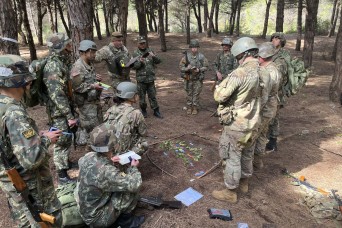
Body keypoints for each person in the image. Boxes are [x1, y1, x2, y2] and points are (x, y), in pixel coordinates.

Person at [0, 54, 63, 227]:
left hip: (10, 182)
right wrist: (46, 140)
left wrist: (36, 136)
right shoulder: (14, 112)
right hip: (32, 188)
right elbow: (32, 159)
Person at [212, 37, 262, 203]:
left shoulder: (240, 73)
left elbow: (220, 96)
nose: (237, 60)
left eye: (237, 57)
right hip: (254, 122)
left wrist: (220, 86)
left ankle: (230, 192)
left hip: (237, 124)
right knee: (247, 154)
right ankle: (244, 183)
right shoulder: (264, 70)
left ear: (243, 54)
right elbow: (266, 96)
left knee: (232, 156)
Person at [75, 123, 144, 228]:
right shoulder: (107, 172)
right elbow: (135, 183)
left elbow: (95, 168)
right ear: (113, 144)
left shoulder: (88, 156)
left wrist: (110, 161)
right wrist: (133, 167)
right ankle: (127, 223)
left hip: (86, 210)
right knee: (130, 190)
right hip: (97, 220)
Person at [43, 33, 78, 183]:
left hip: (64, 109)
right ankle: (62, 174)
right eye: (67, 45)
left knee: (66, 138)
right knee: (61, 141)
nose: (70, 48)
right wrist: (69, 116)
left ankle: (65, 163)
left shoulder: (61, 62)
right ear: (60, 47)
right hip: (59, 112)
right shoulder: (53, 66)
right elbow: (57, 95)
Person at [71, 40, 103, 146]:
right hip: (85, 104)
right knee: (93, 131)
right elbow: (77, 87)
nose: (94, 55)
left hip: (93, 101)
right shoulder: (77, 67)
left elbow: (88, 79)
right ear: (84, 52)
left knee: (98, 125)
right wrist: (92, 86)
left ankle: (84, 138)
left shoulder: (89, 64)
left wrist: (96, 79)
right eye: (92, 52)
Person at [253, 42, 281, 168]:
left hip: (266, 108)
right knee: (262, 134)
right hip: (270, 106)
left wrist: (255, 110)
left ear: (262, 57)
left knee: (255, 134)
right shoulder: (272, 67)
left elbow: (264, 95)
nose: (257, 58)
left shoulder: (270, 72)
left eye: (258, 56)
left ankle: (253, 161)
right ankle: (258, 160)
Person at [104, 82, 148, 155]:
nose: (138, 95)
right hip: (122, 150)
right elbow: (143, 132)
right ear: (131, 96)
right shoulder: (136, 113)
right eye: (136, 93)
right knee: (144, 143)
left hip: (108, 147)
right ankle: (129, 159)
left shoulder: (111, 109)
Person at [266, 32, 292, 152]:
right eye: (273, 38)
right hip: (267, 90)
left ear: (281, 41)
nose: (274, 40)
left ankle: (272, 141)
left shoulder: (282, 57)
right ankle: (266, 138)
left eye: (277, 38)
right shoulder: (270, 53)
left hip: (277, 92)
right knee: (267, 115)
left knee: (274, 117)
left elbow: (279, 76)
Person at [132, 36, 163, 118]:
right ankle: (143, 110)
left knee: (152, 96)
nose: (142, 45)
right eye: (141, 43)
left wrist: (154, 56)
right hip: (141, 80)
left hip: (150, 79)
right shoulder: (135, 53)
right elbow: (133, 67)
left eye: (144, 43)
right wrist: (140, 62)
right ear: (137, 44)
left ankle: (156, 111)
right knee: (142, 97)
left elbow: (158, 61)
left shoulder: (150, 51)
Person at [179, 39, 209, 115]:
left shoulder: (201, 56)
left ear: (198, 48)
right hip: (188, 79)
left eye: (195, 47)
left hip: (198, 78)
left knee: (196, 93)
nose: (194, 49)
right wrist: (187, 68)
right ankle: (189, 107)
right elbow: (181, 67)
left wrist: (199, 69)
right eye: (192, 47)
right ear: (190, 48)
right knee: (189, 93)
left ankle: (195, 107)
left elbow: (206, 66)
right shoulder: (186, 57)